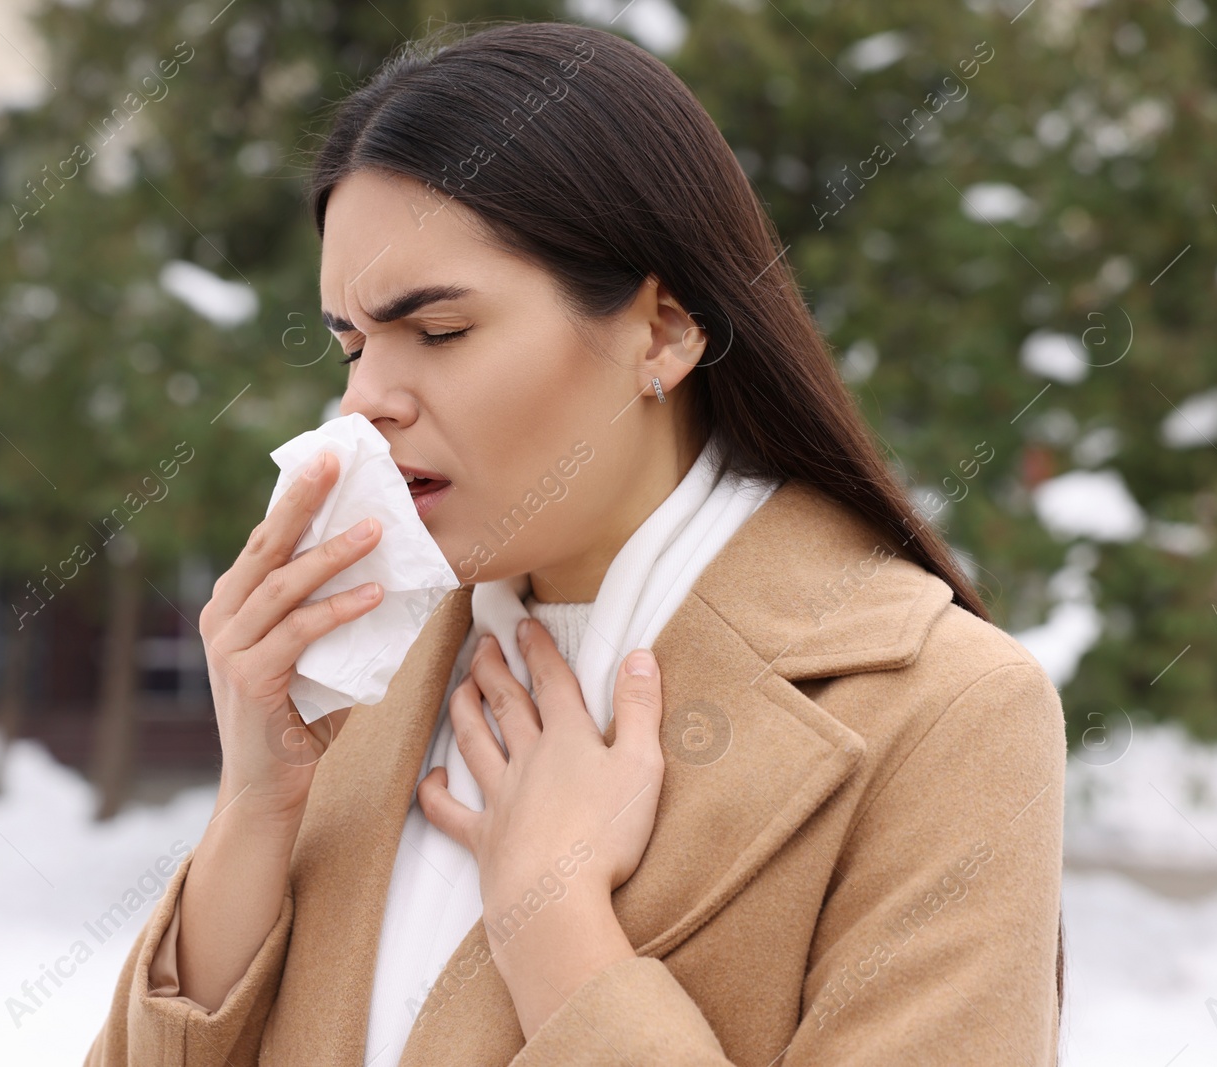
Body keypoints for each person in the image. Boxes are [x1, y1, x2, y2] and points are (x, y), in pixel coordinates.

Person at [85, 19, 1066, 1067]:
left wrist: (555, 928)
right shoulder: (357, 674)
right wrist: (254, 806)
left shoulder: (942, 711)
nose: (364, 399)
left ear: (662, 330)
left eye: (440, 331)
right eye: (352, 342)